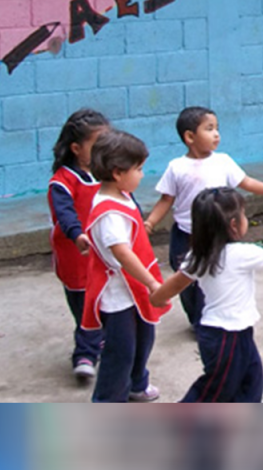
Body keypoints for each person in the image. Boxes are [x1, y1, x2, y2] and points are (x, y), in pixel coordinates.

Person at [150, 187, 263, 402]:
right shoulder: (241, 254)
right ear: (233, 225)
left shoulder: (198, 256)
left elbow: (176, 283)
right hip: (225, 335)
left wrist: (157, 298)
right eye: (243, 214)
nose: (245, 218)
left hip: (229, 333)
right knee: (217, 388)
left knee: (251, 379)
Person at [144, 106, 263, 330]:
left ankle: (211, 315)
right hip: (186, 234)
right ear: (190, 137)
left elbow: (246, 182)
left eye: (217, 128)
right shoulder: (177, 167)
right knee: (186, 279)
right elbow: (166, 200)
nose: (217, 134)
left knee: (217, 276)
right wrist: (150, 222)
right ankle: (196, 319)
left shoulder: (223, 161)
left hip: (219, 235)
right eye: (209, 129)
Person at [82, 129, 172, 402]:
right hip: (119, 295)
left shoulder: (121, 196)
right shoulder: (109, 211)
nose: (143, 175)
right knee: (120, 352)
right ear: (118, 172)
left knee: (144, 338)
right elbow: (123, 255)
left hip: (134, 289)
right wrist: (153, 282)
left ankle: (137, 383)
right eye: (139, 169)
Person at [48, 109, 110, 382]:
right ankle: (85, 354)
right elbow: (64, 213)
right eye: (98, 145)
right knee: (85, 307)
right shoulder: (63, 181)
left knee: (108, 300)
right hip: (76, 253)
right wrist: (76, 234)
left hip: (106, 253)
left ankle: (101, 340)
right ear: (76, 148)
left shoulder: (108, 173)